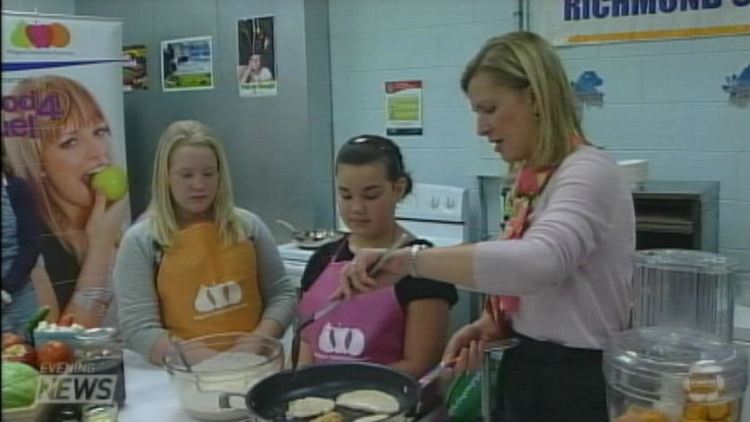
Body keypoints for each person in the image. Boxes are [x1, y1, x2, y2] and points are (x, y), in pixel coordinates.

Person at [337, 31, 635, 422]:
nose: (481, 127)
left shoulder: (588, 170)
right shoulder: (533, 180)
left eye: (490, 108)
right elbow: (541, 293)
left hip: (576, 380)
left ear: (535, 97)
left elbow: (541, 262)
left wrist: (407, 261)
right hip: (528, 364)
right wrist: (492, 323)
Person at [113, 120, 296, 365]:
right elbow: (138, 329)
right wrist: (210, 363)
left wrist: (256, 343)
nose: (199, 185)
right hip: (182, 376)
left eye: (208, 174)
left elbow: (282, 295)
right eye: (186, 175)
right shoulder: (142, 241)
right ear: (166, 175)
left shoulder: (249, 227)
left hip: (256, 365)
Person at [297, 134, 457, 378]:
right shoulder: (321, 260)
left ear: (398, 189)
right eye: (346, 195)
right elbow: (308, 345)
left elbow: (419, 364)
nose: (356, 208)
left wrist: (341, 389)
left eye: (371, 196)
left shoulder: (422, 265)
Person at [2, 75, 128, 328]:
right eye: (70, 142)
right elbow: (58, 344)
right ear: (38, 164)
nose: (98, 152)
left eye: (99, 131)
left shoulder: (119, 227)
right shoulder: (35, 246)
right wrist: (101, 246)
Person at [2, 145, 41, 333]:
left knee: (26, 354)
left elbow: (31, 244)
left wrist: (6, 289)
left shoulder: (17, 189)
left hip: (19, 296)